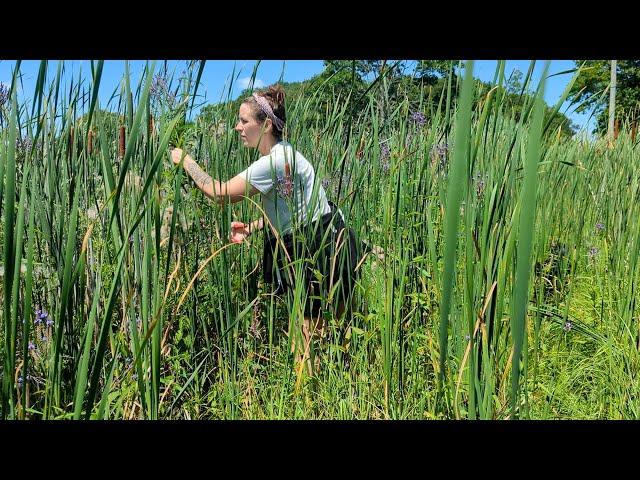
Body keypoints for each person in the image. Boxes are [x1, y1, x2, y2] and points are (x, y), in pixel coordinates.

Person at [169, 84, 367, 373]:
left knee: (307, 340)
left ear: (266, 126)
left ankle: (308, 399)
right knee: (326, 332)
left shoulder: (273, 162)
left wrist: (186, 162)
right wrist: (252, 226)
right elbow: (294, 208)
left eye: (244, 121)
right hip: (327, 239)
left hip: (315, 248)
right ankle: (340, 381)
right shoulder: (286, 155)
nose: (238, 127)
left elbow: (219, 193)